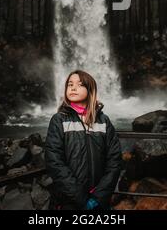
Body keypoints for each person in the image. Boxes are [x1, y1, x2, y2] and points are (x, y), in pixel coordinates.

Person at [44, 69, 122, 211]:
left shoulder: (104, 121)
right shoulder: (59, 120)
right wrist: (81, 198)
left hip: (99, 199)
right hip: (69, 200)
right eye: (69, 84)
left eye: (80, 84)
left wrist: (99, 196)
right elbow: (54, 161)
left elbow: (114, 160)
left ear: (90, 89)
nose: (73, 87)